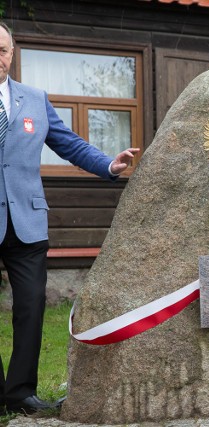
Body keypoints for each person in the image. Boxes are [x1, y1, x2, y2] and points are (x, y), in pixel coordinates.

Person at [0, 22, 140, 414]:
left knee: (31, 307)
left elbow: (68, 143)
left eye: (3, 50)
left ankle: (20, 393)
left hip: (26, 221)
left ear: (12, 53)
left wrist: (109, 165)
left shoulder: (34, 98)